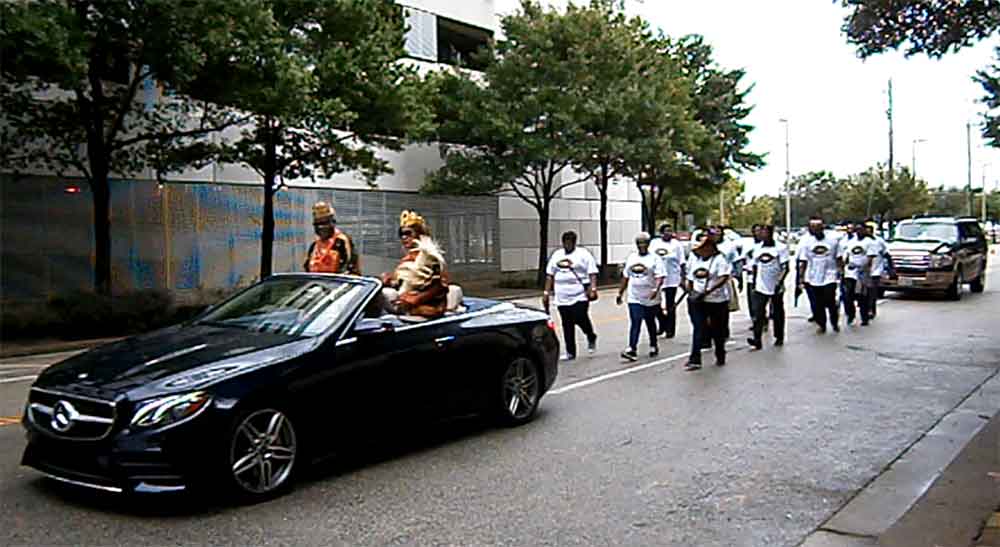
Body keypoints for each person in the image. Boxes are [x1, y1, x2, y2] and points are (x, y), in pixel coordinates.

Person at [382, 210, 449, 318]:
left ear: (419, 235)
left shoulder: (430, 257)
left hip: (427, 311)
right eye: (401, 234)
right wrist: (389, 281)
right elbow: (402, 284)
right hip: (406, 310)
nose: (404, 237)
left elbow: (441, 286)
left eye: (408, 233)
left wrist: (416, 299)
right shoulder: (406, 259)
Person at [543, 231, 599, 361]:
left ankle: (590, 335)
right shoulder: (557, 255)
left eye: (570, 242)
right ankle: (570, 352)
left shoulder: (583, 254)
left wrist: (593, 288)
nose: (568, 245)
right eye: (565, 242)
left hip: (579, 294)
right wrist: (546, 292)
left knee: (580, 317)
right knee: (567, 324)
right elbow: (550, 275)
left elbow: (592, 273)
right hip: (562, 296)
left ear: (574, 242)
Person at [683, 231, 732, 371]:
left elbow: (723, 278)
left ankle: (720, 354)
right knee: (698, 328)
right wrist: (691, 292)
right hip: (698, 301)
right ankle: (695, 358)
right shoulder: (695, 259)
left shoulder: (719, 259)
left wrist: (708, 291)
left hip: (717, 301)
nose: (701, 252)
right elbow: (690, 278)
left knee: (717, 330)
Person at [617, 232, 665, 362]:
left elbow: (660, 276)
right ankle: (632, 349)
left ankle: (653, 345)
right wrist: (620, 292)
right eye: (639, 243)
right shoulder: (632, 258)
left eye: (644, 243)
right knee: (636, 321)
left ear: (648, 244)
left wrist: (656, 289)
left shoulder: (655, 258)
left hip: (650, 296)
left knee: (650, 322)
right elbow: (626, 276)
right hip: (635, 296)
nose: (641, 245)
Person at [797, 216, 843, 334]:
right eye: (813, 227)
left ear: (823, 227)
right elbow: (803, 261)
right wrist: (801, 278)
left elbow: (838, 258)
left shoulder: (833, 240)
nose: (815, 230)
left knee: (830, 300)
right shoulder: (806, 242)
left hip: (830, 275)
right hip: (813, 277)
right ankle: (821, 324)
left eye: (818, 227)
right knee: (818, 303)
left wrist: (841, 272)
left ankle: (834, 322)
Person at [747, 224, 789, 349]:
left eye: (765, 232)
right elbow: (754, 266)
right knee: (758, 313)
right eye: (761, 233)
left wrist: (779, 282)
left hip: (775, 285)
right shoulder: (758, 248)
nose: (762, 235)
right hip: (761, 285)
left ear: (771, 233)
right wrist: (754, 282)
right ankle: (757, 339)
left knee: (777, 313)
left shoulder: (780, 248)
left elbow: (785, 267)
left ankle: (779, 336)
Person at [649, 224, 686, 339]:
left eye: (670, 231)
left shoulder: (677, 245)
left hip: (672, 278)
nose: (668, 233)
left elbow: (682, 262)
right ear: (661, 233)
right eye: (666, 231)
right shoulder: (655, 243)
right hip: (658, 278)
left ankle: (670, 329)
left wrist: (683, 278)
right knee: (655, 304)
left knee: (670, 305)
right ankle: (662, 323)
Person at [304, 201, 360, 275]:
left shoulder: (341, 242)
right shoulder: (314, 246)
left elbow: (350, 269)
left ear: (333, 222)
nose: (321, 227)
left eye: (324, 223)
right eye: (317, 224)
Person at [840, 221, 878, 326]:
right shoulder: (851, 241)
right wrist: (843, 268)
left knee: (862, 297)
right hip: (850, 272)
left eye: (861, 229)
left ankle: (864, 317)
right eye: (857, 230)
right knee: (848, 296)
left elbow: (870, 258)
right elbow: (846, 256)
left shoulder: (870, 242)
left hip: (862, 273)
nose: (859, 231)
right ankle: (850, 315)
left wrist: (864, 269)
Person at [866, 220, 888, 320]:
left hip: (875, 270)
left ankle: (871, 309)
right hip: (863, 272)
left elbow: (886, 254)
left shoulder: (879, 241)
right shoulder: (860, 242)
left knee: (872, 291)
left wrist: (890, 269)